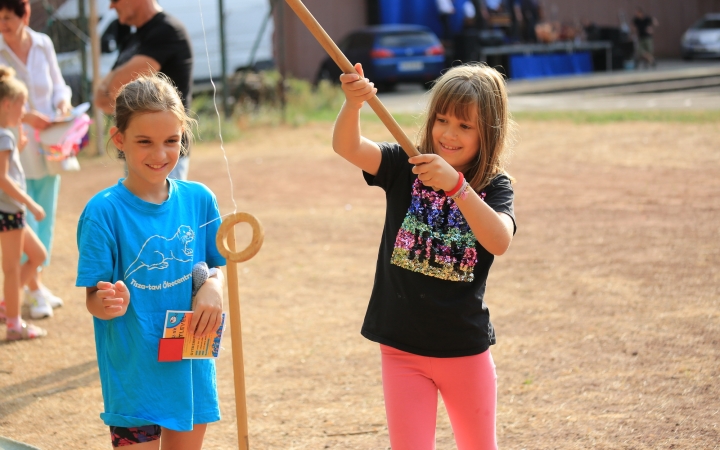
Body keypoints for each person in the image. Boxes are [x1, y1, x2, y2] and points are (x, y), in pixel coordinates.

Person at [333, 63, 516, 449]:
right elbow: (347, 147)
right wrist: (353, 105)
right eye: (443, 120)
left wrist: (457, 185)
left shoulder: (493, 185)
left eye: (465, 127)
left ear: (489, 132)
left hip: (464, 349)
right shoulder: (405, 164)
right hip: (401, 347)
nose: (449, 134)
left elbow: (499, 240)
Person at [76, 74, 225, 449]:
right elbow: (94, 297)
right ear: (119, 139)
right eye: (145, 142)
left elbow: (216, 264)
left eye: (171, 141)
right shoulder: (103, 212)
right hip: (134, 377)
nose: (160, 155)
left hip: (189, 370)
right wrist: (106, 303)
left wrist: (213, 284)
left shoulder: (200, 200)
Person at [0, 0, 71, 319]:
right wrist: (27, 117)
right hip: (15, 145)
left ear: (25, 15)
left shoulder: (43, 44)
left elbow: (59, 86)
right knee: (23, 218)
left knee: (46, 215)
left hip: (50, 145)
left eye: (8, 18)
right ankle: (32, 290)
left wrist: (63, 106)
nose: (3, 25)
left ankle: (36, 287)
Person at [94, 0, 193, 180]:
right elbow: (102, 99)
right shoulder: (134, 37)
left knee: (163, 208)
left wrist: (112, 82)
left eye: (115, 0)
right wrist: (112, 84)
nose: (111, 6)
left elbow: (114, 90)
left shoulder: (167, 31)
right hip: (136, 152)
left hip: (164, 156)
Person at [0, 66, 48, 340]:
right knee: (11, 268)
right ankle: (14, 325)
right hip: (10, 212)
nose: (24, 110)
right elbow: (3, 179)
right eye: (22, 104)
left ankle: (8, 304)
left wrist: (17, 149)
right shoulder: (4, 134)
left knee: (37, 255)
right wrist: (31, 203)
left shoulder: (6, 135)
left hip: (9, 212)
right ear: (8, 104)